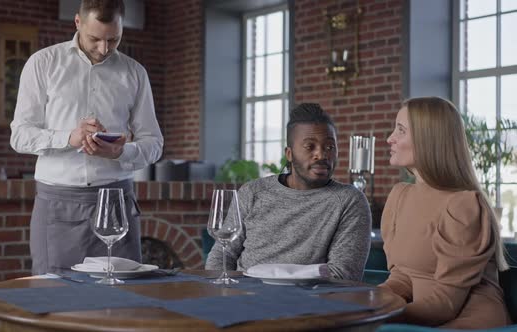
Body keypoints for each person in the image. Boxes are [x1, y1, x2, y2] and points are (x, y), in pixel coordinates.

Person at [10, 0, 163, 275]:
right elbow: (20, 136)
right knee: (55, 300)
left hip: (117, 203)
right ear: (78, 23)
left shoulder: (135, 73)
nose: (104, 49)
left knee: (123, 302)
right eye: (95, 38)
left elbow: (154, 144)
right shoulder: (43, 63)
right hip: (58, 205)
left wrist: (121, 152)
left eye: (114, 39)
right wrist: (69, 137)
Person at [380, 97, 511, 328]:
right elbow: (403, 277)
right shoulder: (400, 196)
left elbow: (444, 304)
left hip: (469, 322)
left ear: (428, 139)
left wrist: (379, 315)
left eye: (400, 130)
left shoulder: (463, 206)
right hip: (427, 318)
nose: (390, 138)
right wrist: (365, 301)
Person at [205, 103, 371, 281]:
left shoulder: (349, 201)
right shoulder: (253, 192)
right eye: (310, 147)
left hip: (308, 302)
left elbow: (343, 275)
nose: (321, 155)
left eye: (329, 147)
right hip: (243, 297)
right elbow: (221, 257)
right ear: (289, 154)